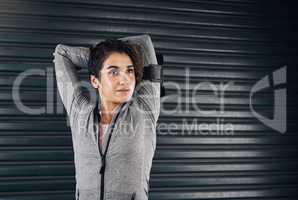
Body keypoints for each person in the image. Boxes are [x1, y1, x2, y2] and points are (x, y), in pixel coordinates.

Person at [53, 35, 161, 200]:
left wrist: (105, 53)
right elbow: (62, 53)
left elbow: (144, 42)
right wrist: (100, 55)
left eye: (129, 70)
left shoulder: (144, 111)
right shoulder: (80, 113)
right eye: (114, 72)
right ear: (95, 81)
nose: (125, 80)